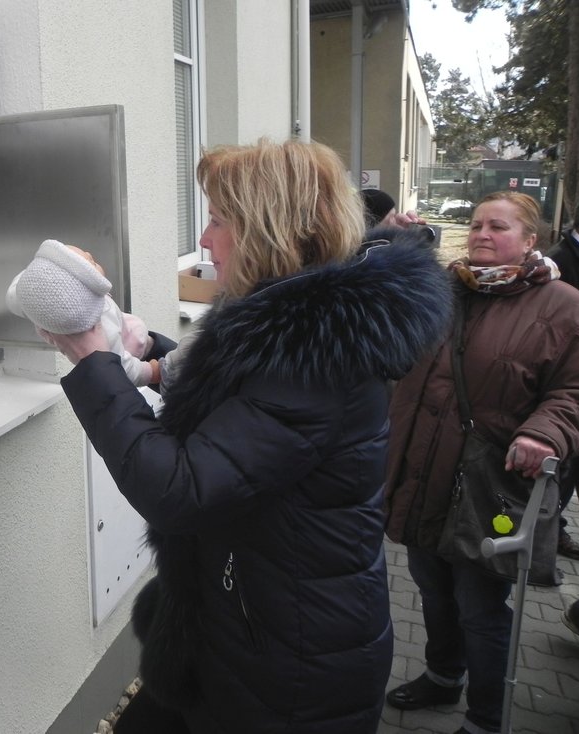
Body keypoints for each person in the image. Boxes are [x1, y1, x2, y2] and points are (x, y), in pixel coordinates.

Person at [39, 138, 453, 733]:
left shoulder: (312, 361)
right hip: (244, 623)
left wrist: (90, 359)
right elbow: (238, 397)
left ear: (270, 230)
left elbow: (179, 489)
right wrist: (150, 356)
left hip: (288, 670)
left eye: (215, 220)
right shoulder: (295, 327)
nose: (203, 240)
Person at [384, 191, 579, 734]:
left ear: (530, 241)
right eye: (477, 223)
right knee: (431, 588)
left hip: (489, 486)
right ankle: (441, 675)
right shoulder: (442, 291)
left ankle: (485, 719)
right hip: (423, 473)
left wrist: (544, 433)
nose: (482, 233)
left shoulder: (564, 307)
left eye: (498, 227)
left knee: (479, 607)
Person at [6, 239, 162, 388]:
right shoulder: (103, 327)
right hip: (133, 346)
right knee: (138, 332)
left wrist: (39, 276)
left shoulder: (37, 304)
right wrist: (150, 372)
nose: (89, 252)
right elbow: (121, 366)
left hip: (124, 329)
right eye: (92, 263)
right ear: (84, 293)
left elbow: (15, 293)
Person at [547, 185, 579, 562]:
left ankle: (550, 531)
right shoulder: (560, 265)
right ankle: (540, 541)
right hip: (566, 397)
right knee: (562, 475)